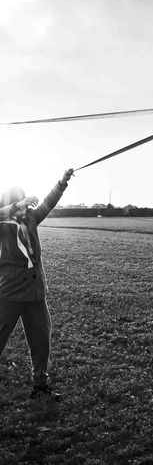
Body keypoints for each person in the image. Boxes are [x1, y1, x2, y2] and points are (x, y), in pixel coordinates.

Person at [0, 169, 74, 400]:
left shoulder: (31, 218)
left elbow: (48, 204)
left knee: (41, 339)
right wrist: (15, 208)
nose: (26, 207)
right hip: (9, 293)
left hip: (35, 293)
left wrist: (62, 182)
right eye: (19, 201)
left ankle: (40, 386)